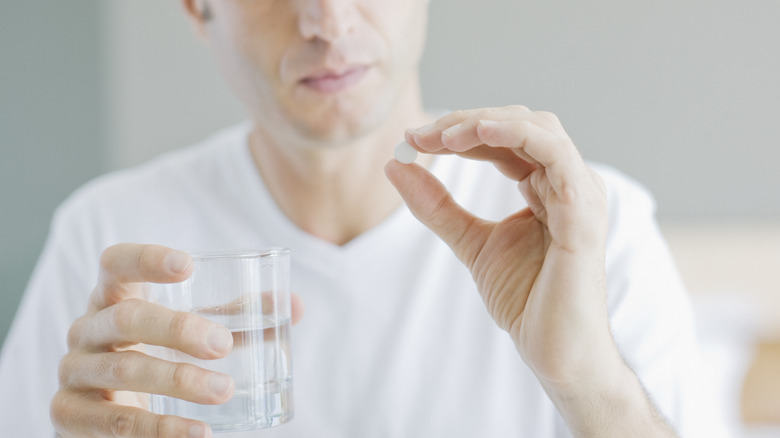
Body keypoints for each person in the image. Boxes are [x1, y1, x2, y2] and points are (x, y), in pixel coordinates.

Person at [0, 0, 716, 436]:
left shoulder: (586, 226)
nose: (328, 21)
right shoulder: (108, 236)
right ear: (196, 7)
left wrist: (587, 381)